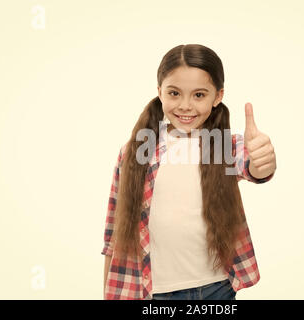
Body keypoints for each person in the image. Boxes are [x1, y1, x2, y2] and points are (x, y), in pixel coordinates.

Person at [101, 44, 276, 300]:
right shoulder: (135, 151)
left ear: (217, 96)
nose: (185, 105)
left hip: (217, 288)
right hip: (156, 293)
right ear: (159, 91)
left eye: (199, 95)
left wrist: (262, 164)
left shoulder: (225, 145)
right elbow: (113, 234)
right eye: (174, 93)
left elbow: (253, 166)